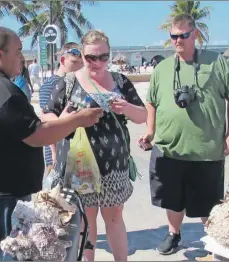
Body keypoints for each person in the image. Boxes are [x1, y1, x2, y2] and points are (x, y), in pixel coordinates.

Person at [0, 26, 103, 261]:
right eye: (18, 51)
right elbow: (37, 135)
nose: (21, 57)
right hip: (6, 191)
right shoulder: (3, 92)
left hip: (2, 187)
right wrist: (78, 119)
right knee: (12, 251)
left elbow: (21, 128)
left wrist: (61, 121)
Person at [138, 14, 229, 255]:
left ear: (195, 34)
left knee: (209, 203)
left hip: (206, 149)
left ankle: (217, 241)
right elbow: (151, 102)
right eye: (173, 36)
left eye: (183, 35)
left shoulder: (217, 63)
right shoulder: (162, 68)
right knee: (172, 199)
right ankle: (174, 234)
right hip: (169, 148)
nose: (178, 40)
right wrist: (150, 132)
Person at [42, 29, 147, 262]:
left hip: (114, 165)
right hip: (78, 166)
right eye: (91, 57)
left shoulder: (120, 81)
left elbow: (143, 115)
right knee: (85, 221)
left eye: (103, 57)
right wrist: (64, 120)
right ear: (82, 54)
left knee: (115, 217)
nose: (97, 62)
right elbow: (46, 116)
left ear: (109, 55)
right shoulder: (68, 83)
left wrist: (126, 108)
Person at [39, 42, 83, 174]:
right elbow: (46, 120)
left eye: (82, 63)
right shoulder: (51, 84)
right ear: (63, 60)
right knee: (55, 192)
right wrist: (54, 153)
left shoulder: (76, 83)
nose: (79, 66)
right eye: (75, 62)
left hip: (74, 150)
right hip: (55, 151)